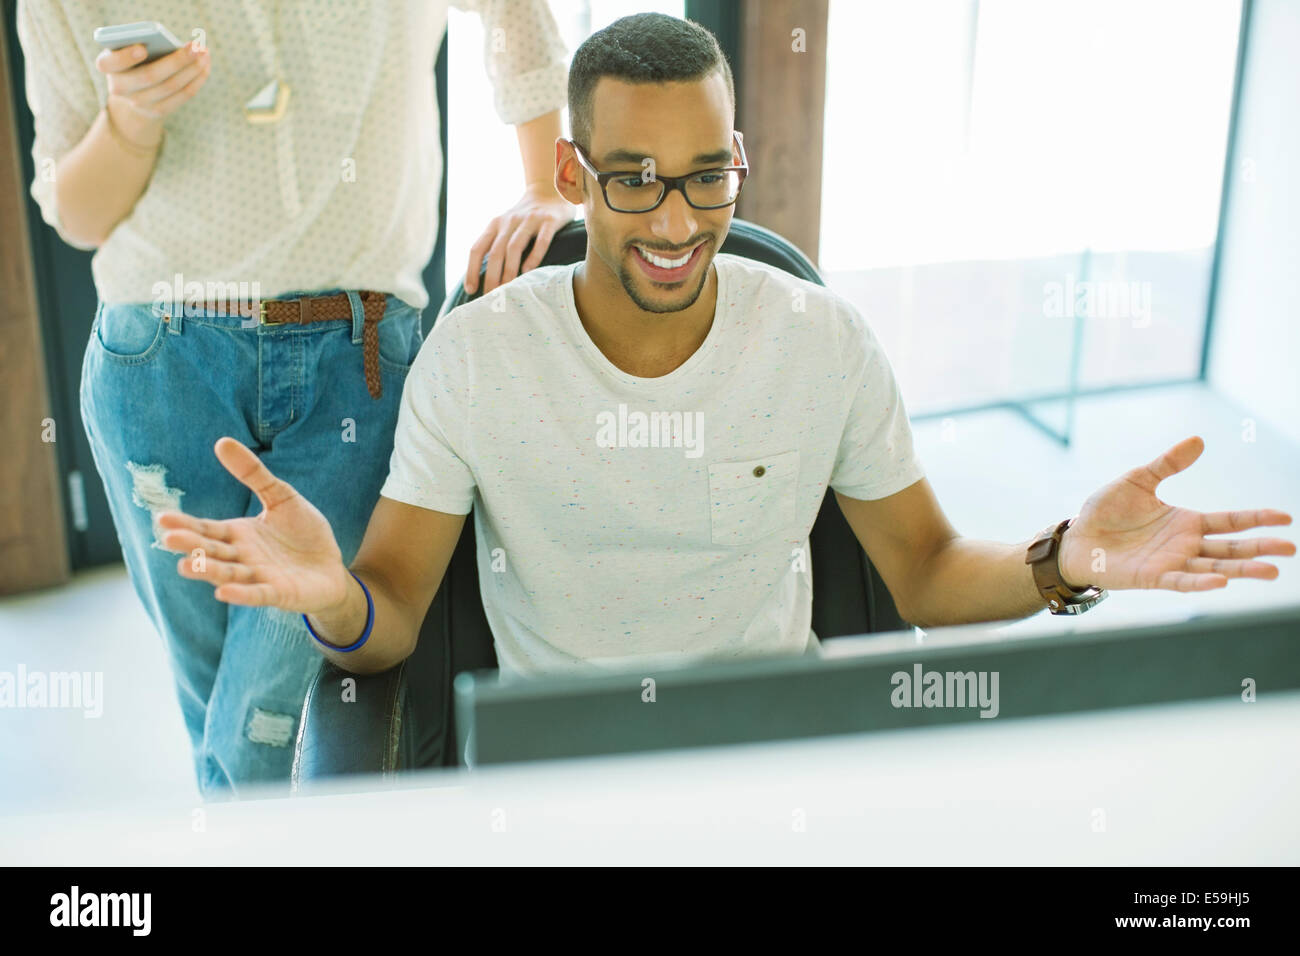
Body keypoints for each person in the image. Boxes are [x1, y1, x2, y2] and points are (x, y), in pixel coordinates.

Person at [158, 14, 1292, 687]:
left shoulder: (821, 340)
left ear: (735, 157)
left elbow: (926, 570)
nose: (674, 219)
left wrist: (1067, 560)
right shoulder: (477, 359)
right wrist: (331, 598)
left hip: (771, 748)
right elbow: (392, 612)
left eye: (707, 174)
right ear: (570, 175)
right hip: (555, 760)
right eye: (632, 178)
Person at [17, 0, 574, 797]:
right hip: (159, 370)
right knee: (217, 701)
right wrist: (130, 121)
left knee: (259, 727)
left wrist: (541, 182)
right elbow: (75, 214)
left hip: (356, 363)